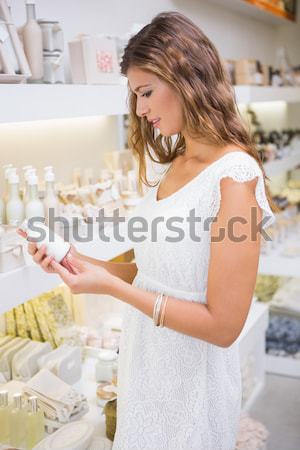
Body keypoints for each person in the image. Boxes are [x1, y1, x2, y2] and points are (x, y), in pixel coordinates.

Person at [27, 12, 275, 450]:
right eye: (135, 95)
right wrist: (80, 263)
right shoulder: (176, 163)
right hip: (146, 372)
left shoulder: (235, 178)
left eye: (146, 92)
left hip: (192, 391)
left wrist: (110, 287)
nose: (140, 110)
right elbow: (154, 272)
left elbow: (224, 325)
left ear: (186, 80)